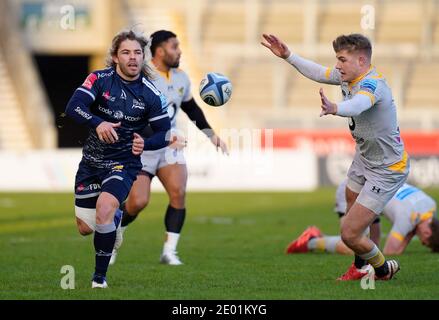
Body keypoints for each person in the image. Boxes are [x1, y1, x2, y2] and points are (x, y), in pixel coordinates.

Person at [262, 33, 409, 280]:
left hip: (387, 168)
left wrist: (335, 108)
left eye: (342, 60)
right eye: (337, 60)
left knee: (349, 234)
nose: (338, 65)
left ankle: (383, 270)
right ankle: (361, 267)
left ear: (361, 61)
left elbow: (359, 105)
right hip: (365, 158)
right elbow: (319, 72)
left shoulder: (373, 85)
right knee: (349, 196)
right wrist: (288, 55)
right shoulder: (347, 77)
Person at [110, 30, 228, 266]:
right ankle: (111, 236)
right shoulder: (141, 78)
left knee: (178, 192)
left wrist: (211, 135)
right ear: (161, 51)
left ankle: (169, 252)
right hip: (141, 146)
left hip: (169, 148)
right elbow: (132, 116)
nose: (180, 51)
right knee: (138, 202)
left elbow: (191, 108)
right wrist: (162, 135)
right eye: (175, 46)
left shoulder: (181, 77)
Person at [65, 30, 171, 288]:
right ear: (115, 57)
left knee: (104, 208)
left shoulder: (150, 94)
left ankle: (99, 279)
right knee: (85, 228)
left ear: (143, 57)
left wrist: (145, 142)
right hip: (91, 162)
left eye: (137, 52)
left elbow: (164, 134)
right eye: (126, 52)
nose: (133, 57)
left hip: (123, 163)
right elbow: (73, 107)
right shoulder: (99, 79)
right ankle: (114, 221)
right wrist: (98, 122)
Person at [286, 180, 439, 259]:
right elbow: (390, 252)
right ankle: (311, 241)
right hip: (354, 193)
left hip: (370, 194)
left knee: (371, 248)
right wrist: (409, 235)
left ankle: (313, 238)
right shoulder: (408, 218)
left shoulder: (430, 204)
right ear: (426, 232)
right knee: (358, 247)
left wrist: (411, 232)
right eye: (424, 241)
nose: (420, 239)